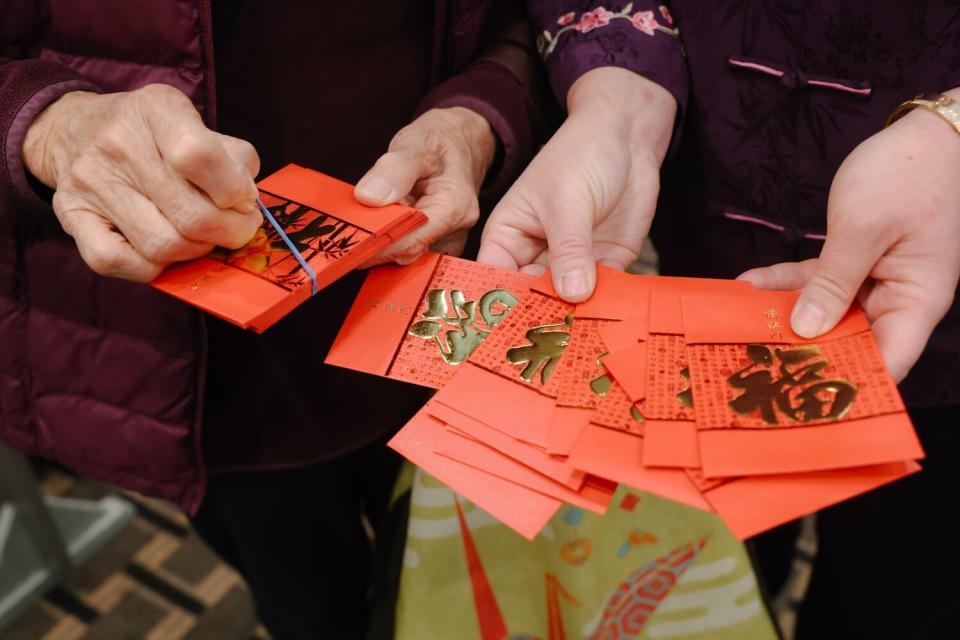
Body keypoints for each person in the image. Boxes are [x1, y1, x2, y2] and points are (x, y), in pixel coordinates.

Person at [0, 2, 549, 637]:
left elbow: (539, 16)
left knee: (489, 582)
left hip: (449, 299)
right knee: (310, 606)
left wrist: (484, 110)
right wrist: (44, 125)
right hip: (203, 376)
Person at [478, 2, 960, 638]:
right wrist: (620, 97)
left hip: (942, 321)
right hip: (706, 242)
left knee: (903, 573)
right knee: (736, 540)